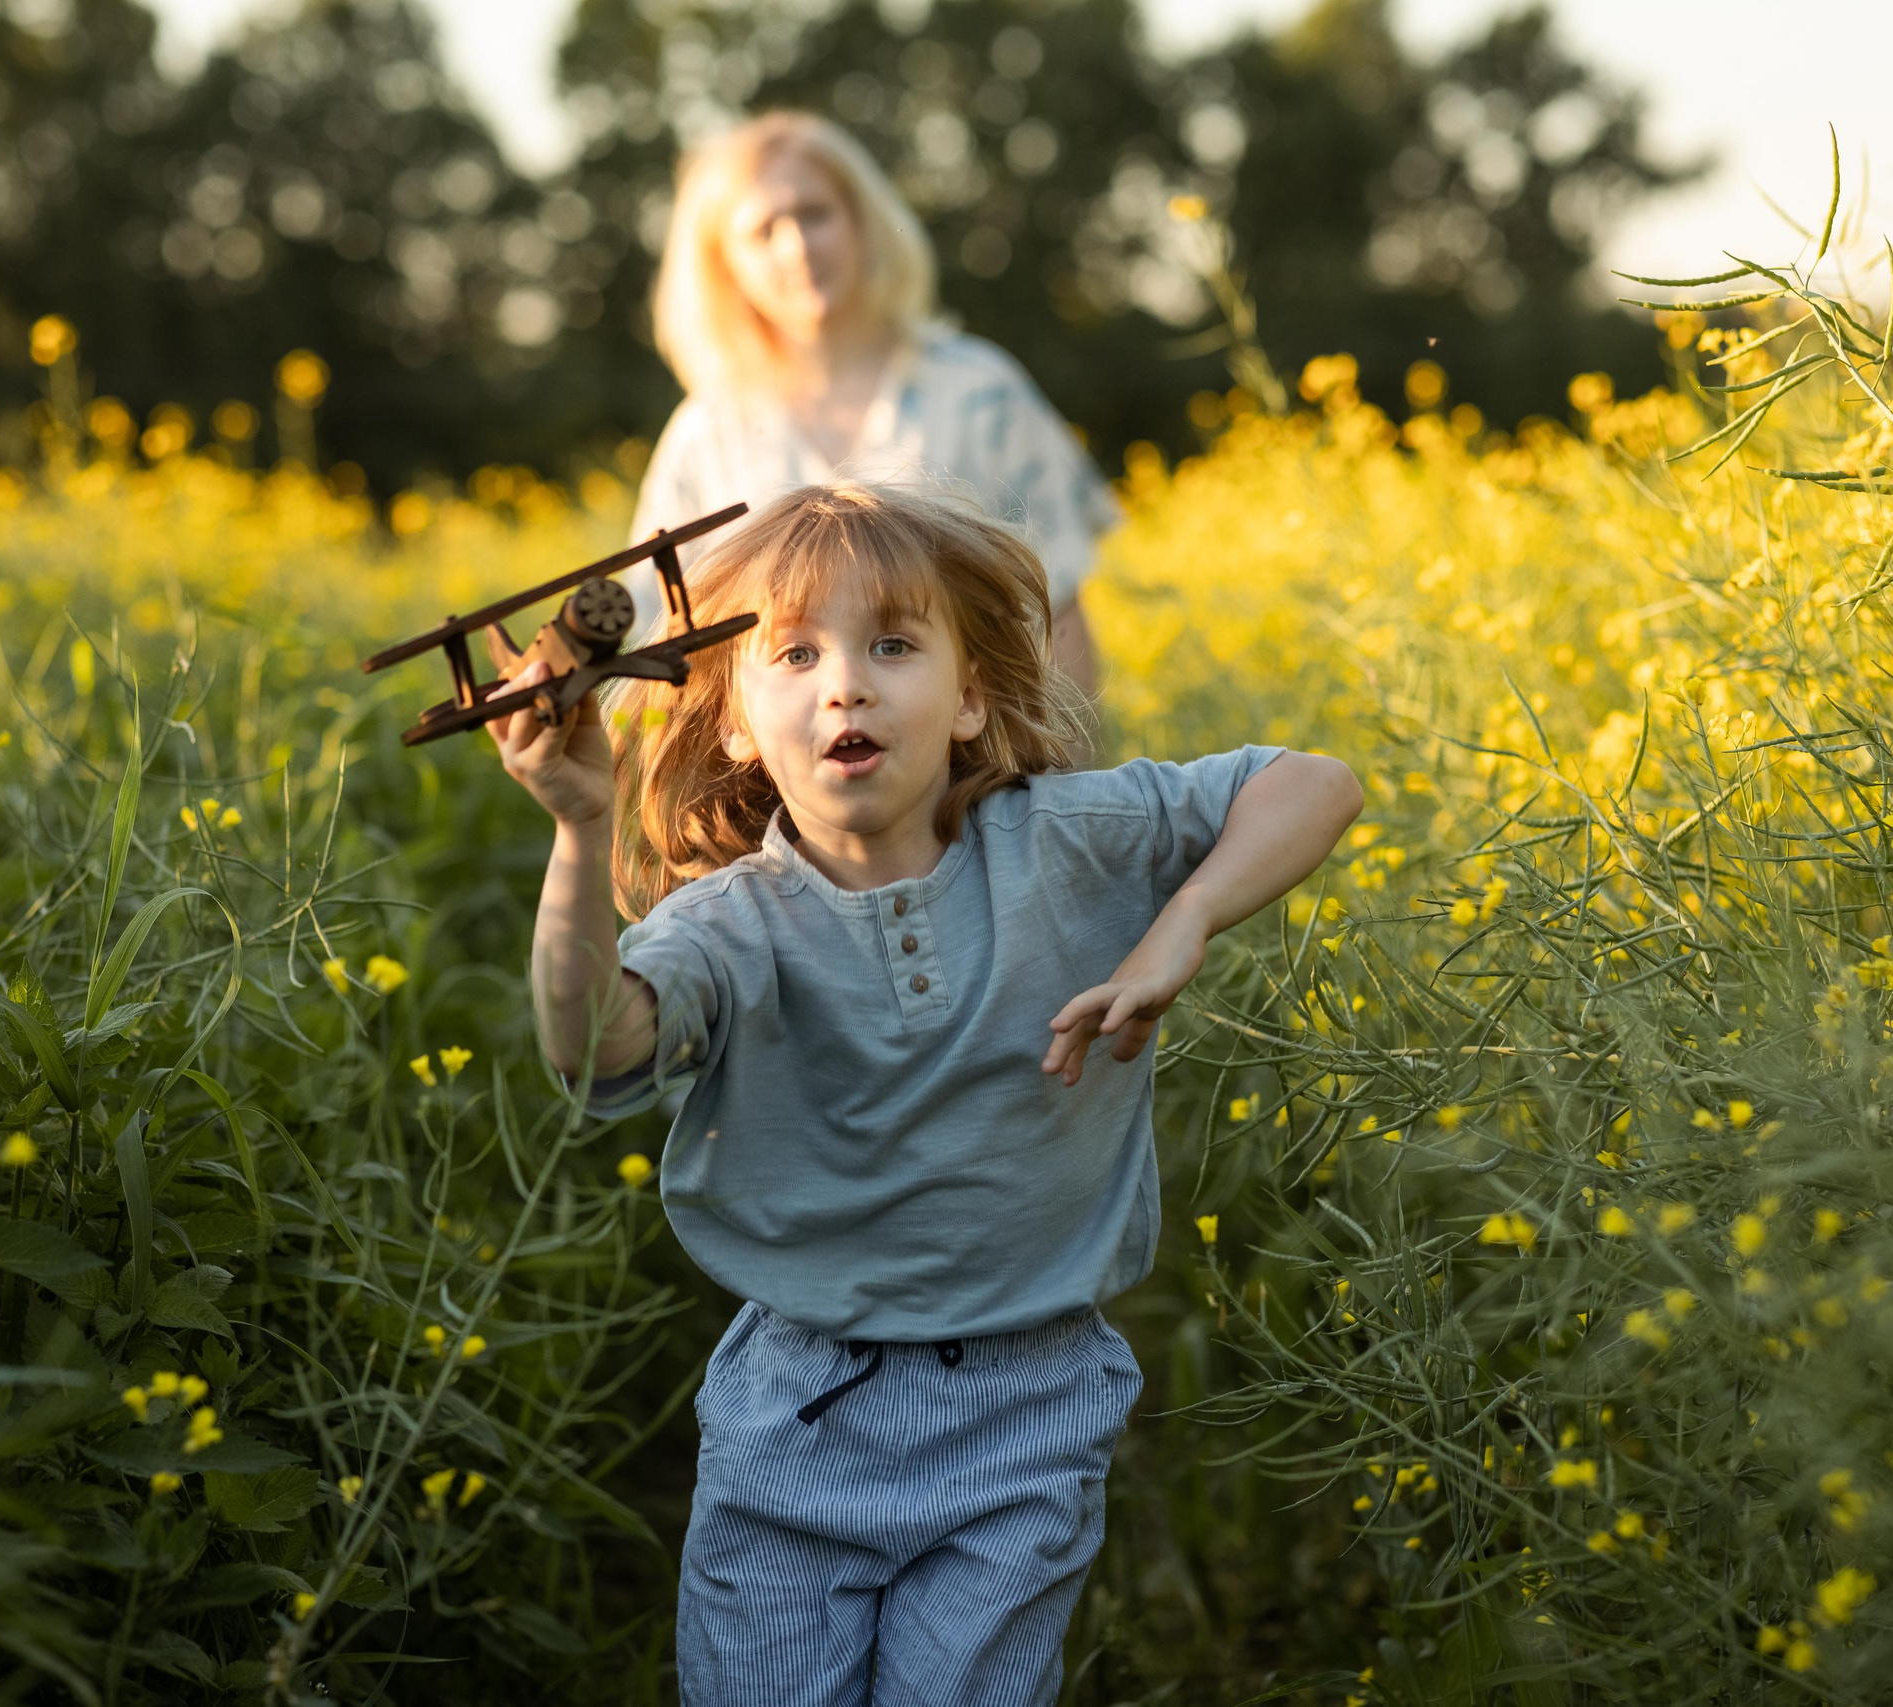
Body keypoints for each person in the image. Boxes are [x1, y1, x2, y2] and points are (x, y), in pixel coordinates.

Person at [487, 482, 1361, 1705]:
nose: (845, 684)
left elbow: (1313, 781)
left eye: (892, 646)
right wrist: (578, 834)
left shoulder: (1059, 839)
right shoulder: (731, 926)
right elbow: (596, 1048)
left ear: (969, 701)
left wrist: (1182, 929)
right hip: (801, 1410)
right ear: (736, 722)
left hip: (1030, 1404)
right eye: (793, 654)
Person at [626, 110, 1116, 718]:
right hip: (765, 806)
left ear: (862, 223)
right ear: (725, 267)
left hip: (980, 790)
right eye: (763, 230)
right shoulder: (704, 436)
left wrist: (1059, 799)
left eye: (814, 213)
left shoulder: (980, 392)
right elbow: (655, 654)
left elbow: (1058, 614)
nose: (797, 245)